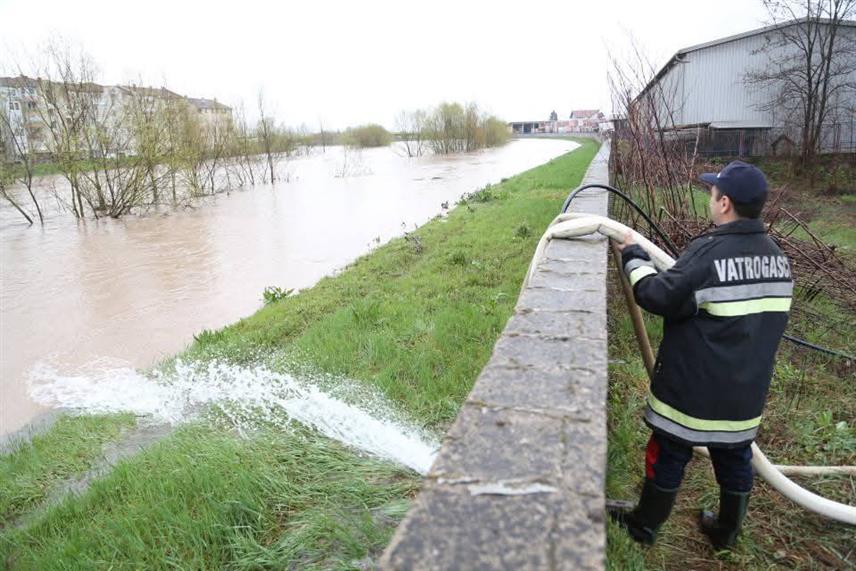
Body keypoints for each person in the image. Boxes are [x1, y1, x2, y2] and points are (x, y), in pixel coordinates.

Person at [609, 160, 793, 550]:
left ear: (725, 203)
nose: (709, 198)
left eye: (712, 193)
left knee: (669, 453)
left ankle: (644, 526)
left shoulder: (710, 253)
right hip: (744, 394)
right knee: (735, 460)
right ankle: (726, 532)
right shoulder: (778, 258)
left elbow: (658, 295)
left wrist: (633, 258)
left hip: (692, 393)